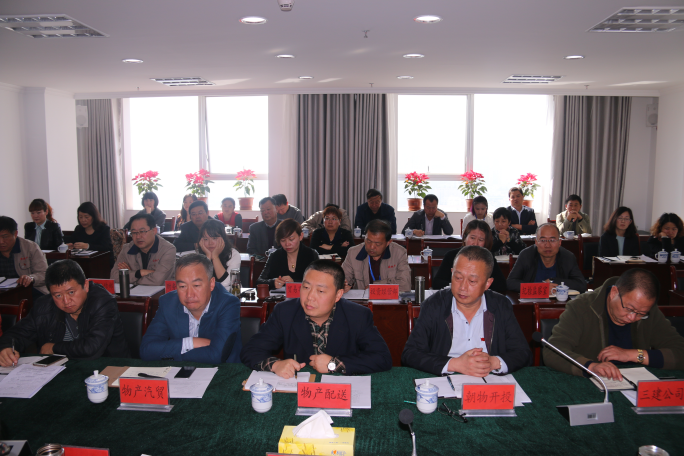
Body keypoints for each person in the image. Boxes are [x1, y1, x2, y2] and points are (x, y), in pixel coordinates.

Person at [241, 260, 392, 377]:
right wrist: (275, 365)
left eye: (320, 291)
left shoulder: (357, 315)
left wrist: (335, 364)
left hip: (339, 390)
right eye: (306, 287)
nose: (310, 297)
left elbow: (382, 358)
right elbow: (251, 350)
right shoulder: (285, 312)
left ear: (338, 295)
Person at [402, 246, 532, 376]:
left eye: (472, 281)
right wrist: (455, 364)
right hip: (446, 378)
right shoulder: (434, 305)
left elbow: (523, 353)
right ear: (452, 273)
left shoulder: (500, 305)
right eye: (458, 277)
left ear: (487, 283)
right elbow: (410, 353)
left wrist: (493, 362)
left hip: (489, 378)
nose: (463, 287)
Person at [545, 268, 684, 379]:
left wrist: (633, 355)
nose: (632, 317)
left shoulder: (648, 311)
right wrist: (590, 367)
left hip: (635, 385)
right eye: (629, 309)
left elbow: (680, 351)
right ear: (613, 293)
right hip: (592, 384)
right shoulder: (581, 308)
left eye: (641, 314)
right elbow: (553, 350)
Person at [0, 259, 129, 366]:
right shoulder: (43, 306)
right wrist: (6, 347)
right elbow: (17, 333)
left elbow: (92, 348)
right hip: (60, 370)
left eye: (71, 292)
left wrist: (53, 348)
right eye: (58, 295)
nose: (66, 301)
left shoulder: (103, 302)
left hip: (106, 367)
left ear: (85, 285)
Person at [140, 254, 242, 363]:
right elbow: (146, 350)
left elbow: (216, 355)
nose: (189, 294)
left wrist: (173, 353)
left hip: (223, 370)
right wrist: (191, 342)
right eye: (182, 286)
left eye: (196, 285)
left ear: (211, 284)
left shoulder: (228, 304)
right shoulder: (168, 303)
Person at [506, 223, 587, 293]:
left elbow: (581, 285)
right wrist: (541, 287)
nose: (547, 245)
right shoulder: (526, 255)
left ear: (559, 242)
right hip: (531, 302)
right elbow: (510, 282)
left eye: (552, 240)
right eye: (543, 240)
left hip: (559, 303)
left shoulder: (568, 257)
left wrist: (554, 281)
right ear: (536, 242)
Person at [432, 220, 507, 293]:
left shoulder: (488, 258)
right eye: (472, 238)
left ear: (485, 242)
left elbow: (501, 285)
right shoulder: (451, 256)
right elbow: (437, 283)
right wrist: (458, 285)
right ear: (465, 238)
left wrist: (476, 286)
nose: (475, 243)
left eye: (481, 240)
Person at [342, 219, 411, 292]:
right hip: (362, 298)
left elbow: (405, 285)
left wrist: (375, 286)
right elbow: (343, 277)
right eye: (368, 241)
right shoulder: (353, 253)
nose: (372, 247)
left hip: (389, 298)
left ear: (388, 243)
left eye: (377, 244)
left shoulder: (399, 253)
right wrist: (343, 284)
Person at [111, 213, 176, 286]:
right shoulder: (126, 249)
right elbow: (114, 277)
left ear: (154, 231)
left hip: (161, 292)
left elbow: (157, 281)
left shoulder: (168, 250)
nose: (138, 236)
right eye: (134, 232)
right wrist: (139, 273)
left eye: (142, 231)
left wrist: (130, 276)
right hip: (133, 292)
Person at [257, 219, 319, 290]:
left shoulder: (311, 255)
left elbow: (319, 281)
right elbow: (259, 282)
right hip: (278, 296)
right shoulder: (275, 256)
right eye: (283, 240)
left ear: (301, 236)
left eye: (291, 239)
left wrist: (294, 282)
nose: (287, 244)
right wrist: (273, 282)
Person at [0, 216, 48, 296]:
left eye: (5, 237)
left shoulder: (30, 247)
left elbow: (44, 274)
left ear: (15, 234)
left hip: (30, 291)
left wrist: (31, 278)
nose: (1, 241)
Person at [198, 219, 241, 289]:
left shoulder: (233, 254)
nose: (210, 243)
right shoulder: (197, 255)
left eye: (214, 238)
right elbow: (198, 281)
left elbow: (225, 283)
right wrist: (208, 257)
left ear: (223, 238)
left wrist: (215, 257)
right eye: (206, 239)